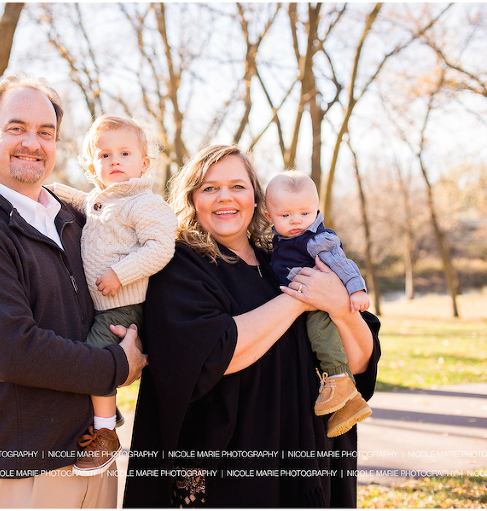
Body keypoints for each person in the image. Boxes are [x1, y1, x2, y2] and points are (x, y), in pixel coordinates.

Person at [0, 73, 147, 509]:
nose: (32, 143)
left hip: (91, 462)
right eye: (17, 128)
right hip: (14, 476)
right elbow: (14, 351)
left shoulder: (75, 220)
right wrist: (116, 365)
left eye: (45, 133)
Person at [123, 145, 380, 508]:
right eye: (209, 188)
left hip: (311, 463)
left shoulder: (285, 260)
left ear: (257, 199)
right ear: (193, 198)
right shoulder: (179, 266)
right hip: (233, 476)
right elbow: (217, 353)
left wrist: (341, 308)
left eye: (237, 186)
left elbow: (360, 364)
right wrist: (301, 296)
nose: (224, 197)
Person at [50, 114, 177, 476]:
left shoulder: (144, 203)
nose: (115, 160)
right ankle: (102, 415)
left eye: (124, 153)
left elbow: (160, 249)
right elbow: (86, 203)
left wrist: (119, 274)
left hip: (124, 305)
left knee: (96, 360)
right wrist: (53, 190)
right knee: (88, 356)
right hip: (105, 305)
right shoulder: (103, 200)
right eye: (104, 156)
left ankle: (106, 435)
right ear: (94, 168)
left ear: (144, 164)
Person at [264, 170, 372, 438]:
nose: (296, 220)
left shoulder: (316, 239)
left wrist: (356, 289)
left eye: (305, 213)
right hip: (305, 300)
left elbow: (342, 264)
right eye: (285, 215)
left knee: (320, 334)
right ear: (268, 216)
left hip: (321, 303)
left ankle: (339, 380)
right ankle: (350, 403)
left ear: (317, 209)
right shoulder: (279, 241)